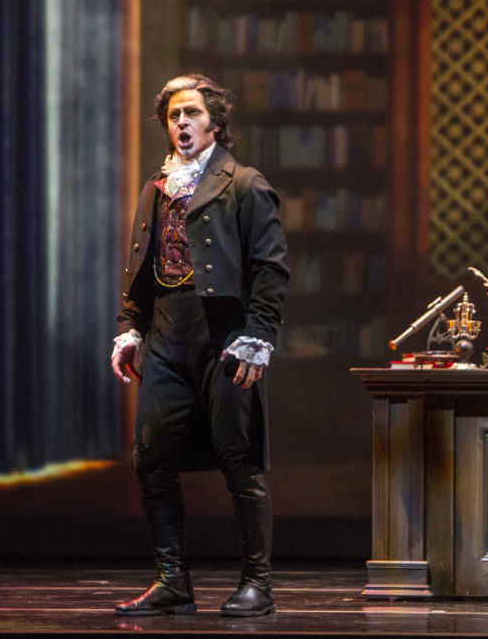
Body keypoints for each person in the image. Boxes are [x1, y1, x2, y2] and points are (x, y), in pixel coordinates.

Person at [110, 74, 289, 617]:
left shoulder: (244, 183)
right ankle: (173, 581)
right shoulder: (158, 185)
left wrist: (257, 336)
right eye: (173, 116)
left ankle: (257, 583)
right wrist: (129, 327)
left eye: (191, 113)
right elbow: (142, 269)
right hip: (167, 336)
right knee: (151, 457)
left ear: (214, 121)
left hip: (223, 338)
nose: (182, 123)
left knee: (239, 458)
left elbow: (271, 267)